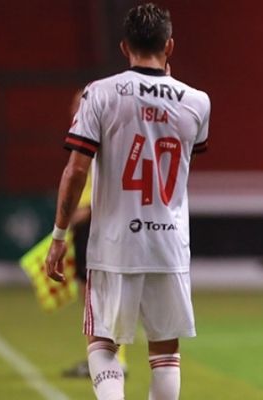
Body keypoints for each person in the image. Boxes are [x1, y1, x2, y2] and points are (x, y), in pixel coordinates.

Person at [45, 3, 210, 399]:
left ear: (124, 46)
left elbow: (76, 171)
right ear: (169, 45)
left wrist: (59, 235)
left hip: (116, 242)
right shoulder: (197, 101)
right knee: (166, 350)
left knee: (102, 340)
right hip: (168, 241)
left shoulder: (100, 93)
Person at [62, 90, 127, 378]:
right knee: (91, 298)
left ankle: (115, 361)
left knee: (102, 297)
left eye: (80, 103)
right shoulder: (88, 137)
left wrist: (85, 210)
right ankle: (100, 359)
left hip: (98, 225)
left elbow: (114, 186)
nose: (74, 107)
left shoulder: (105, 139)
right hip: (85, 225)